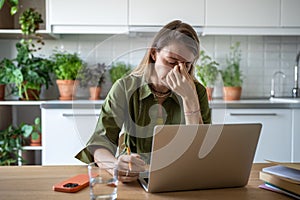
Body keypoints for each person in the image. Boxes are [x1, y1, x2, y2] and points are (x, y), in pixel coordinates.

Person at [76, 20, 211, 183]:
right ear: (154, 54)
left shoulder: (197, 92)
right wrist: (115, 167)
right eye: (171, 62)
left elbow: (202, 153)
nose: (178, 71)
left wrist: (190, 100)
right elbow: (100, 144)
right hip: (136, 179)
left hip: (183, 178)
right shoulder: (125, 87)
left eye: (186, 65)